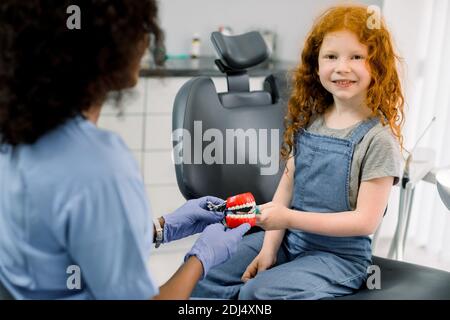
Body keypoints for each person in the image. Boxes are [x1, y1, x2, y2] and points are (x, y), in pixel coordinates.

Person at [0, 0, 250, 300]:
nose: (147, 40)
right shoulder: (98, 164)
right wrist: (201, 259)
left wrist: (161, 228)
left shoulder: (15, 134)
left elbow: (57, 246)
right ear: (104, 48)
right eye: (141, 28)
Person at [192, 4, 405, 300]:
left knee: (259, 293)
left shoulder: (377, 140)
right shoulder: (310, 120)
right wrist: (268, 249)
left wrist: (288, 218)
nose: (342, 67)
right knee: (203, 272)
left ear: (377, 66)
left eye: (356, 57)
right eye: (331, 56)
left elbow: (365, 221)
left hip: (339, 259)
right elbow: (288, 186)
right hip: (289, 242)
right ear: (316, 65)